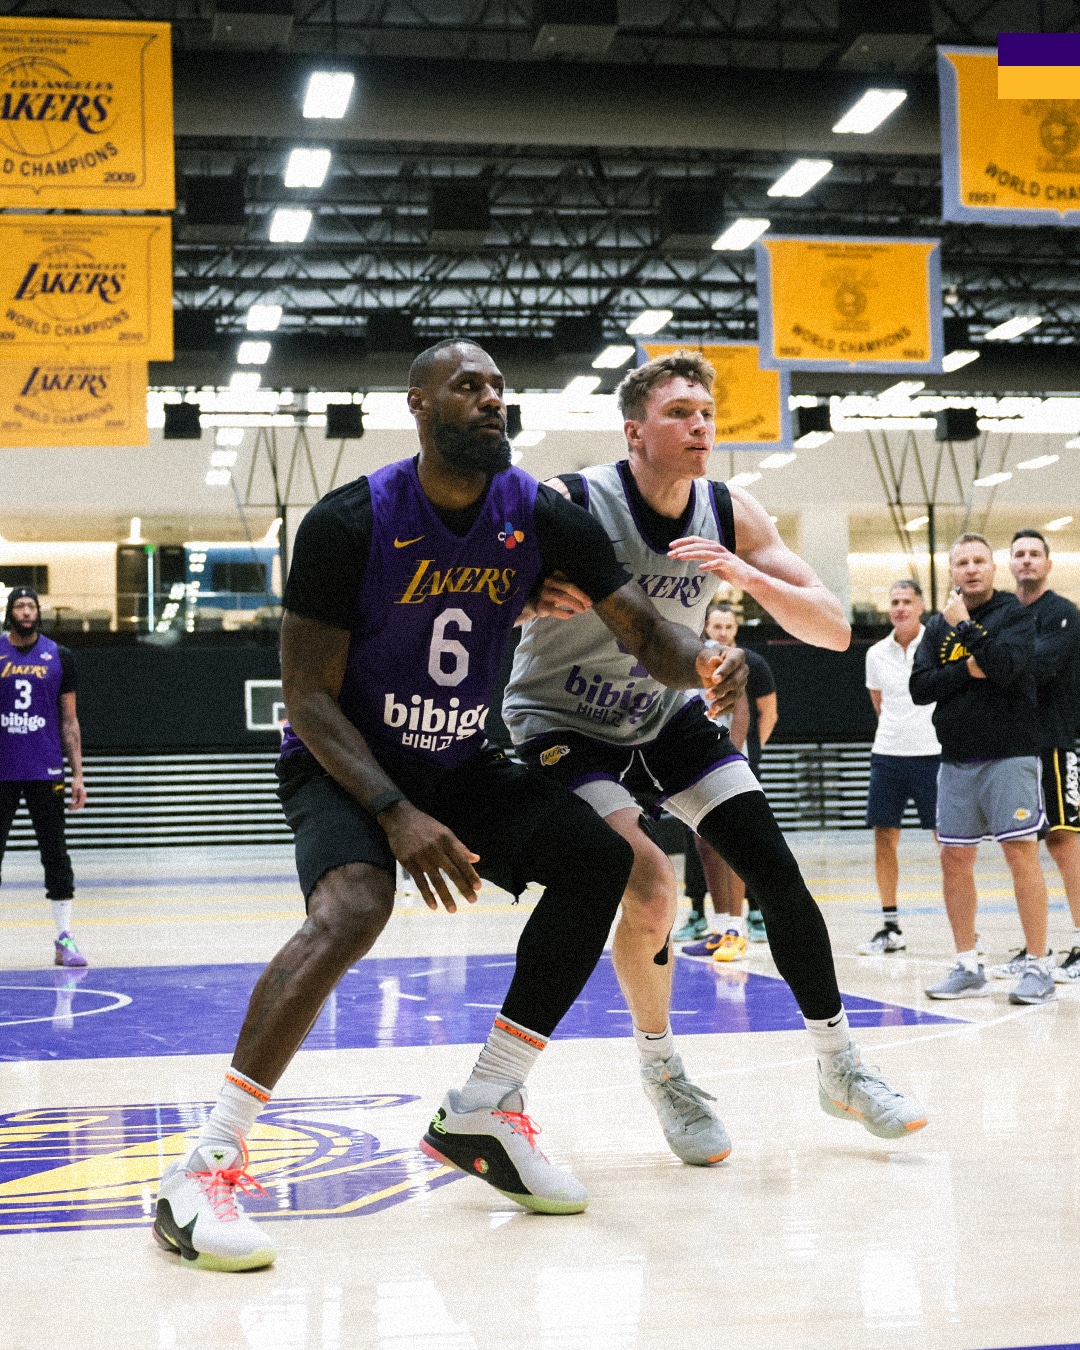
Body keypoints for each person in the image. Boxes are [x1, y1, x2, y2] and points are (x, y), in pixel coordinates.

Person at [152, 338, 747, 1272]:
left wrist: (704, 659)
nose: (491, 401)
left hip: (458, 757)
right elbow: (305, 695)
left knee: (605, 861)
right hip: (343, 761)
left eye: (501, 389)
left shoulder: (541, 516)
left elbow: (642, 632)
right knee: (357, 903)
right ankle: (206, 1164)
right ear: (419, 406)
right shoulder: (351, 522)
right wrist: (394, 812)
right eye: (467, 387)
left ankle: (485, 1108)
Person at [503, 348, 927, 1169]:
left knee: (776, 870)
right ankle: (663, 1069)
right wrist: (523, 596)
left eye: (707, 412)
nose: (700, 424)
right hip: (562, 720)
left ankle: (841, 1068)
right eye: (679, 412)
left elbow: (834, 630)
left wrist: (744, 575)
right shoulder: (574, 500)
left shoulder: (729, 511)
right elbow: (474, 586)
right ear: (635, 431)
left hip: (665, 715)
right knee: (653, 887)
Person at [914, 533, 1053, 1005]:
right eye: (962, 563)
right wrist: (966, 669)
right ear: (952, 571)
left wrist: (969, 633)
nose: (971, 569)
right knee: (954, 858)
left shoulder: (1014, 615)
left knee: (1020, 854)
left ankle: (1038, 965)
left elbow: (1008, 667)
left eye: (979, 561)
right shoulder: (937, 626)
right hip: (955, 760)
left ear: (993, 568)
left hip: (1010, 754)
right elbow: (919, 686)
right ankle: (967, 964)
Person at [995, 529, 1080, 984]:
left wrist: (996, 662)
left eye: (1034, 555)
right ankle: (1036, 948)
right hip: (1014, 746)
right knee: (1021, 848)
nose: (1027, 561)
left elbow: (1039, 667)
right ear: (1010, 564)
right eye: (1019, 555)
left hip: (1053, 741)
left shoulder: (1063, 613)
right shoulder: (1006, 613)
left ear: (1048, 564)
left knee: (1065, 843)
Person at [678, 600, 778, 955]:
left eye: (728, 626)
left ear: (735, 629)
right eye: (716, 625)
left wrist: (730, 757)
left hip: (723, 762)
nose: (722, 631)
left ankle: (736, 929)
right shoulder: (690, 656)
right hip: (694, 760)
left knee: (731, 844)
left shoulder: (739, 662)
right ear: (705, 627)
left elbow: (745, 713)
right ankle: (719, 930)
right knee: (706, 846)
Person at [0, 587, 87, 967]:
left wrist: (78, 774)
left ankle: (64, 939)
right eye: (19, 606)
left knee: (55, 854)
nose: (26, 611)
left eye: (31, 606)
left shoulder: (59, 656)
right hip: (3, 770)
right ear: (9, 612)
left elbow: (69, 721)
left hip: (45, 768)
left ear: (38, 612)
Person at [859, 579, 941, 955]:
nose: (901, 607)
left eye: (907, 601)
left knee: (950, 842)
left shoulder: (938, 644)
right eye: (894, 601)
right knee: (884, 838)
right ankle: (890, 926)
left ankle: (965, 927)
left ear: (921, 605)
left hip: (933, 753)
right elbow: (880, 704)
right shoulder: (875, 653)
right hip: (888, 754)